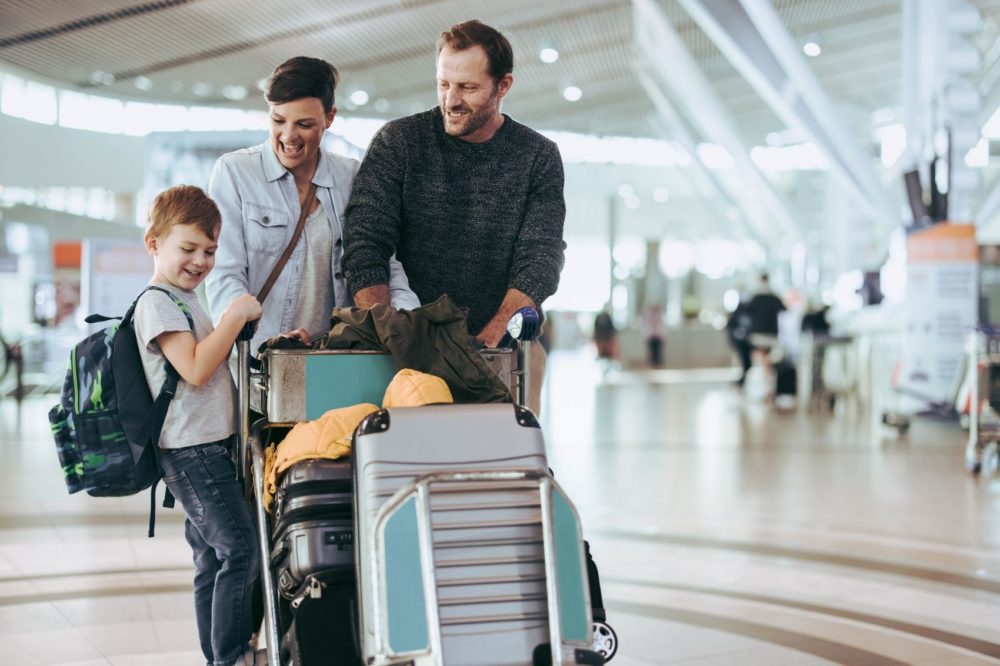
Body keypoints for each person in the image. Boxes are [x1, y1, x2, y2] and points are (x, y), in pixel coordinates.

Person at [342, 19, 566, 414]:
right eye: (444, 84)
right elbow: (365, 241)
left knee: (504, 465)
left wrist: (493, 335)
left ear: (504, 86)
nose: (451, 100)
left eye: (468, 87)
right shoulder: (400, 142)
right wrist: (385, 333)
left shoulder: (537, 157)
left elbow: (541, 254)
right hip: (405, 350)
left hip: (499, 350)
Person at [133, 185, 265, 666]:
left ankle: (219, 656)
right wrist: (234, 316)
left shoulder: (185, 299)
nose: (201, 261)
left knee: (212, 558)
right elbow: (195, 368)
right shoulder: (158, 302)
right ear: (154, 243)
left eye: (209, 250)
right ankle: (231, 657)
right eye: (187, 248)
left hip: (208, 448)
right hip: (192, 452)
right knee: (242, 550)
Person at [205, 56, 418, 354]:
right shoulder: (235, 172)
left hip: (336, 358)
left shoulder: (354, 177)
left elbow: (385, 262)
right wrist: (260, 342)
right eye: (278, 120)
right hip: (260, 360)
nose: (288, 136)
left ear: (329, 118)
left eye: (304, 124)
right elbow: (224, 275)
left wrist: (408, 319)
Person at [746, 273, 786, 396]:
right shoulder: (774, 297)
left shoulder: (755, 297)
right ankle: (767, 390)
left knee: (764, 363)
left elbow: (747, 312)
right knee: (767, 364)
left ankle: (765, 391)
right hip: (771, 336)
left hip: (758, 336)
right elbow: (784, 309)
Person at [725, 291, 752, 387]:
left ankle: (742, 381)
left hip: (746, 342)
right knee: (745, 363)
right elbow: (730, 327)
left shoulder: (748, 312)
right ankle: (742, 381)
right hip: (741, 343)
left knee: (747, 363)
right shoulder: (738, 313)